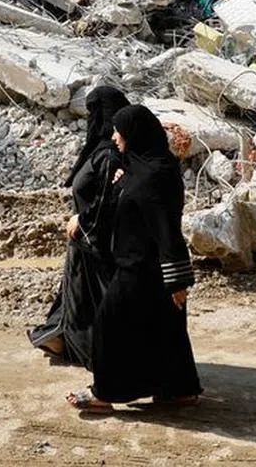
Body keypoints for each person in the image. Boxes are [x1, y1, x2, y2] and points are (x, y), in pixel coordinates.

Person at [67, 104, 202, 411]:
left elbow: (166, 229)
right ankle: (180, 390)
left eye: (120, 131)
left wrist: (177, 281)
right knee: (165, 332)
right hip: (139, 265)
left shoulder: (155, 176)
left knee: (108, 325)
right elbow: (118, 204)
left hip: (144, 270)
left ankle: (105, 392)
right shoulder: (141, 167)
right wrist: (120, 182)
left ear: (135, 134)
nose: (114, 137)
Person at [27, 86, 129, 367]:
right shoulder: (101, 151)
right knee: (78, 300)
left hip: (98, 245)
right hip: (84, 242)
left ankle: (104, 360)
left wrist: (84, 222)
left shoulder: (110, 156)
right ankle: (61, 339)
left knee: (93, 303)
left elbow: (109, 201)